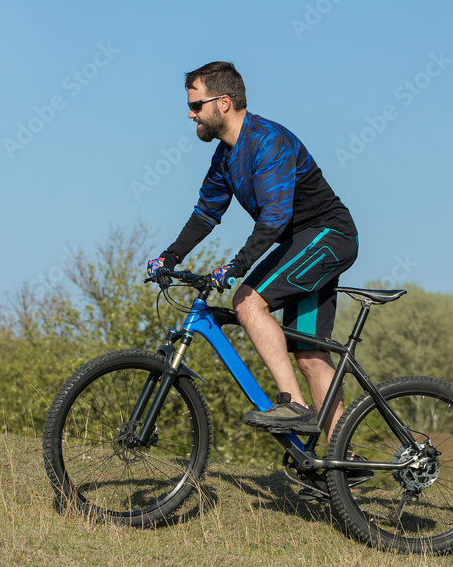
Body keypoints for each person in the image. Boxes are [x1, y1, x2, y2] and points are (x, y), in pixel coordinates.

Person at [147, 61, 359, 442]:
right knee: (310, 356)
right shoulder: (225, 157)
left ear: (223, 102)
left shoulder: (267, 141)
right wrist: (169, 257)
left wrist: (236, 267)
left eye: (196, 105)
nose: (190, 113)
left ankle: (292, 403)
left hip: (327, 235)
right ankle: (341, 461)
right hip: (303, 243)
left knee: (247, 301)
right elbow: (204, 215)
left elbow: (276, 218)